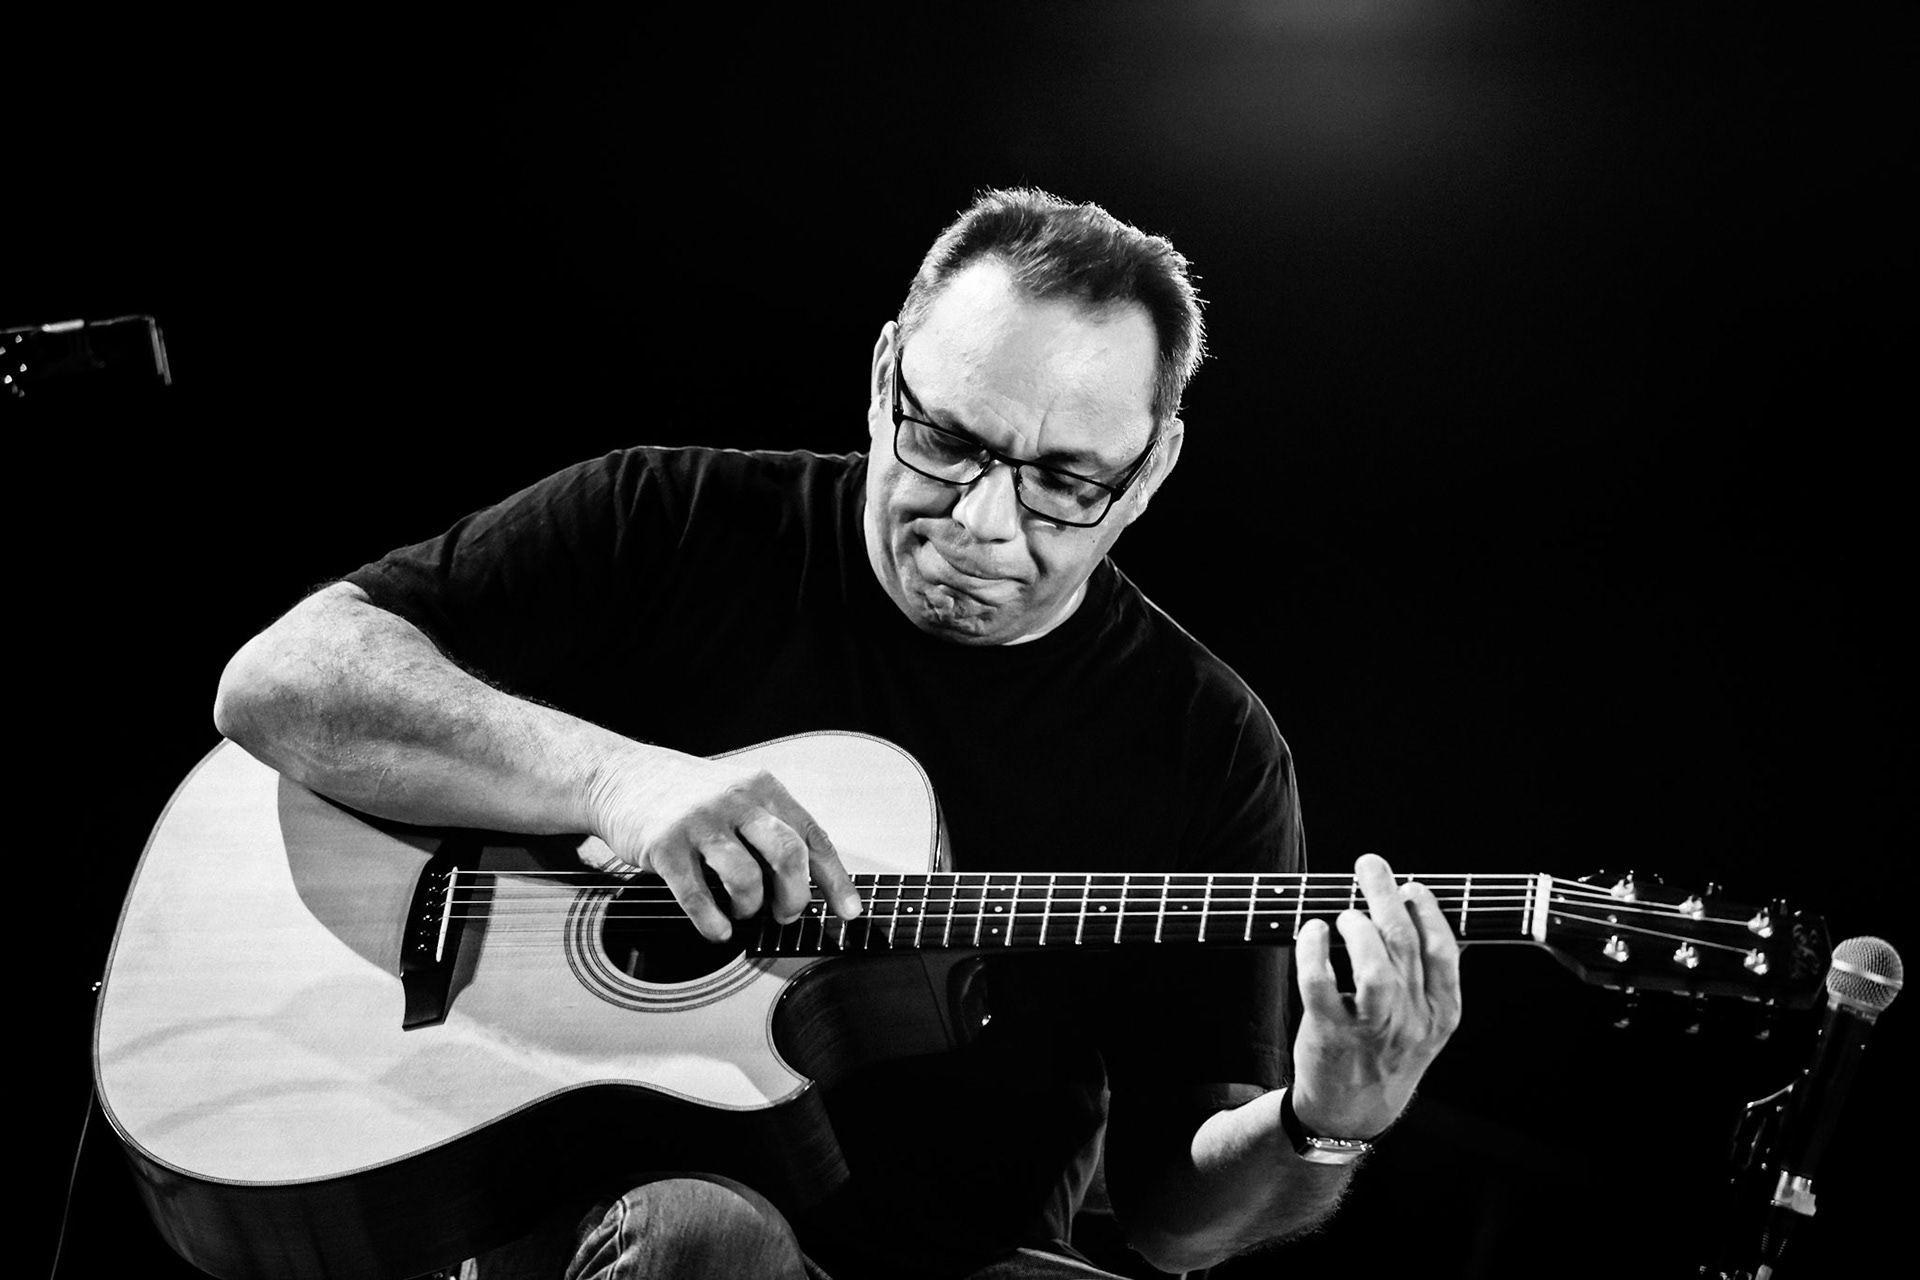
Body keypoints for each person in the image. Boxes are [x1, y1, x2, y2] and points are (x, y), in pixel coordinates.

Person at [213, 188, 1461, 1280]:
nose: (984, 519)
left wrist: (1322, 1121)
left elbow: (1179, 1226)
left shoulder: (1208, 744)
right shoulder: (679, 518)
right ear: (883, 374)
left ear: (1151, 471)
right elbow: (283, 675)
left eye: (1066, 484)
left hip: (968, 1259)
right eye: (948, 440)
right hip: (585, 1205)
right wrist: (615, 780)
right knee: (709, 1236)